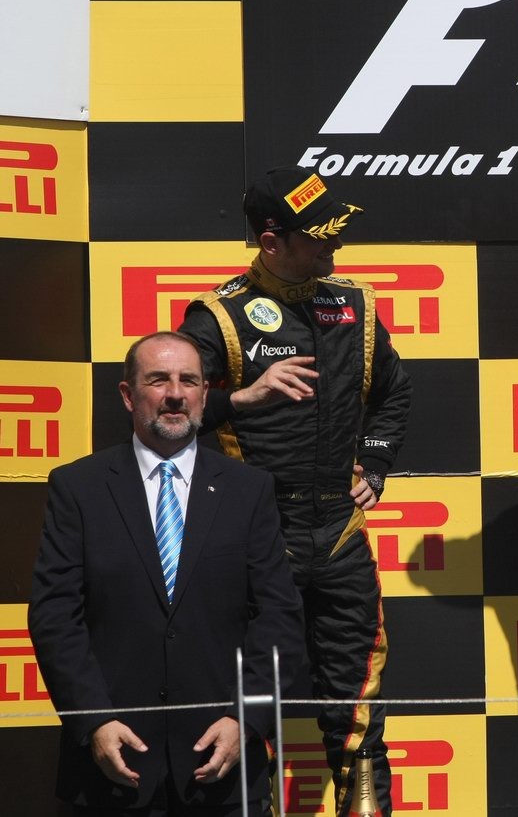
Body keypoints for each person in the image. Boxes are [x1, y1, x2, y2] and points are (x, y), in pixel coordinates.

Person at [178, 167, 413, 815]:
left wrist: (375, 457)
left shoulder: (354, 306)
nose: (332, 249)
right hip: (253, 544)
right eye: (318, 238)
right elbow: (164, 414)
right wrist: (243, 397)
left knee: (359, 708)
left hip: (338, 536)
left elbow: (395, 394)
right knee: (249, 709)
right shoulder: (217, 317)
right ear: (271, 240)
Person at [29, 331, 305, 816]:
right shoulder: (78, 487)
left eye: (189, 380)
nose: (175, 393)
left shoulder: (250, 490)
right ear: (127, 394)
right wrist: (94, 721)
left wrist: (247, 719)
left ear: (203, 393)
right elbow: (55, 617)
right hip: (112, 767)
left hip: (222, 768)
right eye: (158, 380)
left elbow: (279, 617)